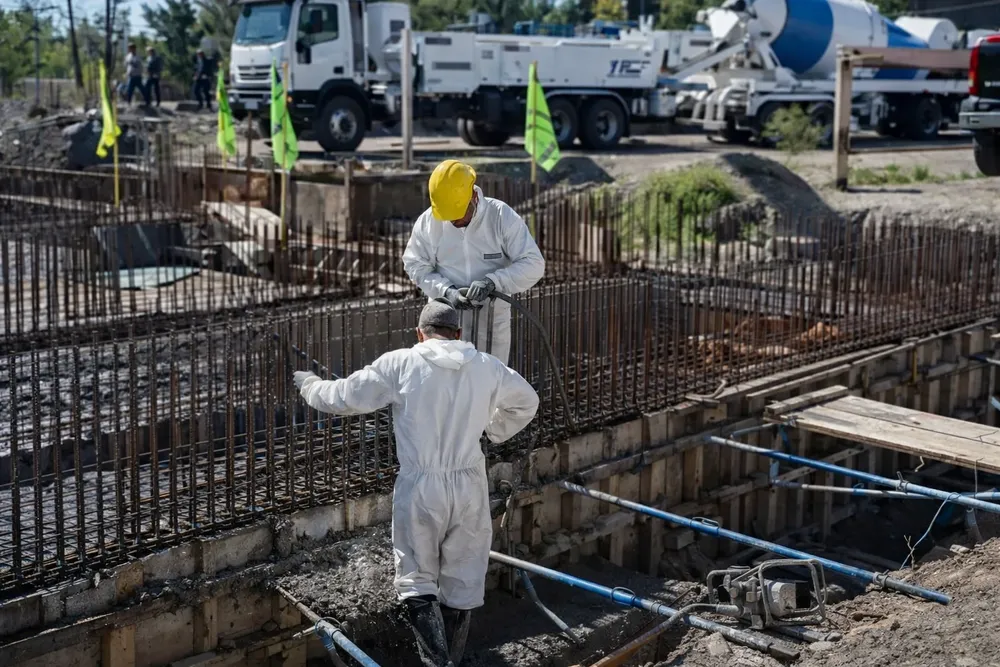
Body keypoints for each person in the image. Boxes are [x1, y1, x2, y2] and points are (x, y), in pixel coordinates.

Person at [293, 299, 539, 667]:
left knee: (416, 578)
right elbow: (527, 401)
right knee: (461, 580)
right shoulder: (487, 367)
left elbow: (342, 397)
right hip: (470, 482)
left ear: (419, 333)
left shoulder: (402, 362)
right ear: (458, 333)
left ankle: (435, 662)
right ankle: (448, 659)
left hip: (421, 485)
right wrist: (494, 429)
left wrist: (309, 385)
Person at [402, 160, 545, 366]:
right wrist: (447, 291)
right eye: (449, 217)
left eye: (458, 215)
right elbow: (415, 264)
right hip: (444, 323)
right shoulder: (429, 222)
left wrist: (493, 282)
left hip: (491, 320)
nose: (454, 222)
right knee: (443, 384)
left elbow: (533, 264)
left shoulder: (500, 217)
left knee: (489, 384)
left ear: (474, 197)